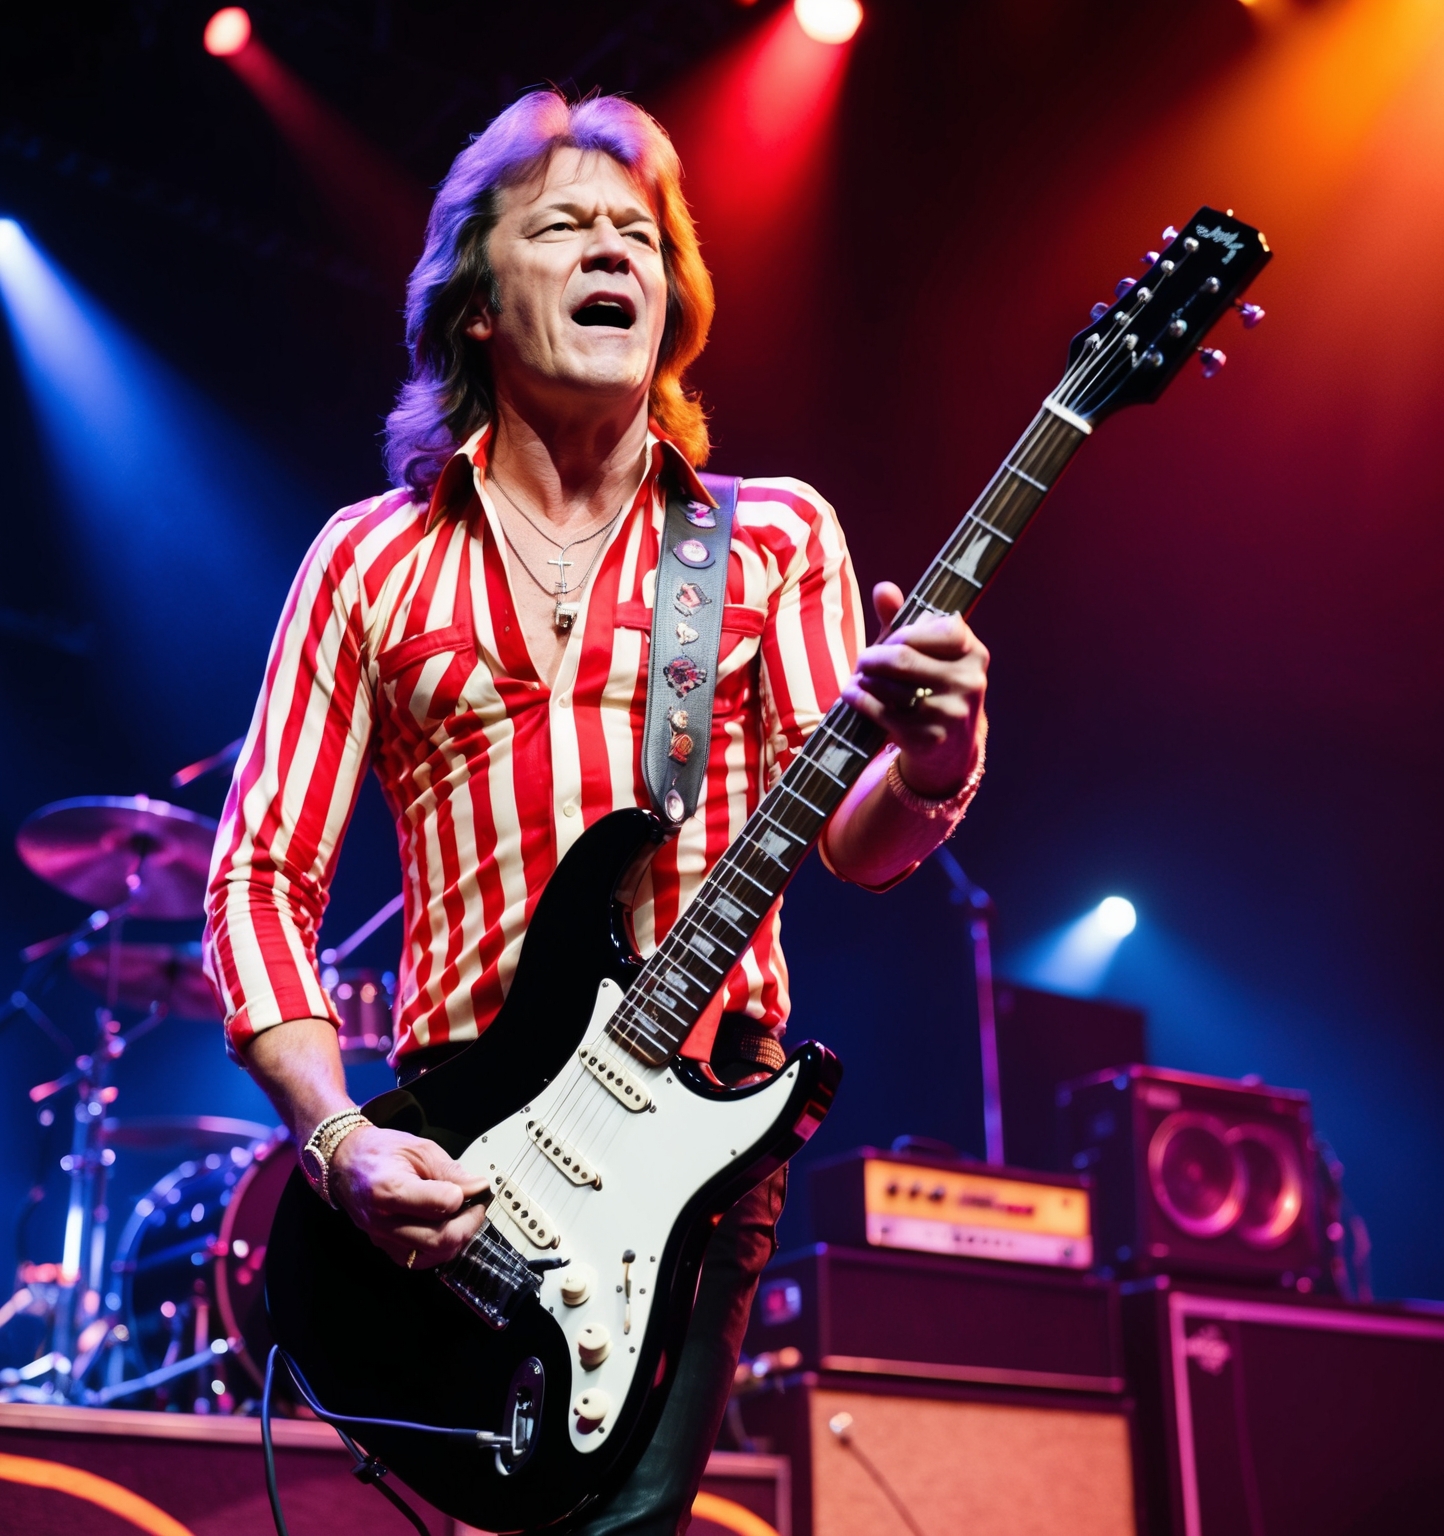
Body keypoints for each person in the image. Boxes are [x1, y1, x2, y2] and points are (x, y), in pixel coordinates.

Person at [204, 89, 988, 1534]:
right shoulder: (366, 561)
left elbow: (854, 839)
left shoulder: (773, 535)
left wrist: (935, 761)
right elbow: (257, 877)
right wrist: (339, 1141)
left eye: (638, 231)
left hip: (692, 1123)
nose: (611, 248)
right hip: (455, 1139)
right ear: (477, 302)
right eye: (564, 225)